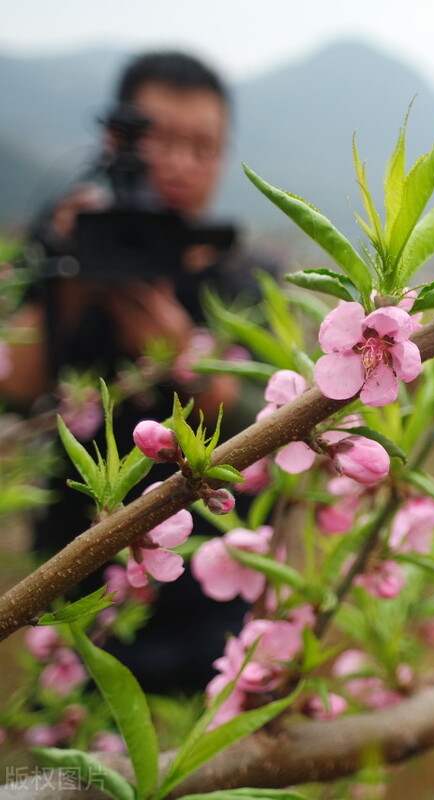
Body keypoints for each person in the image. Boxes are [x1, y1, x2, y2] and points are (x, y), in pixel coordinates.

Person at [0, 51, 272, 694]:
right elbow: (17, 388)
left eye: (202, 146)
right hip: (80, 585)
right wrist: (64, 279)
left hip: (212, 584)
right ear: (115, 142)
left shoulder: (240, 273)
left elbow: (267, 425)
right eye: (164, 140)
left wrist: (188, 357)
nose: (181, 162)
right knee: (77, 777)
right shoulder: (62, 251)